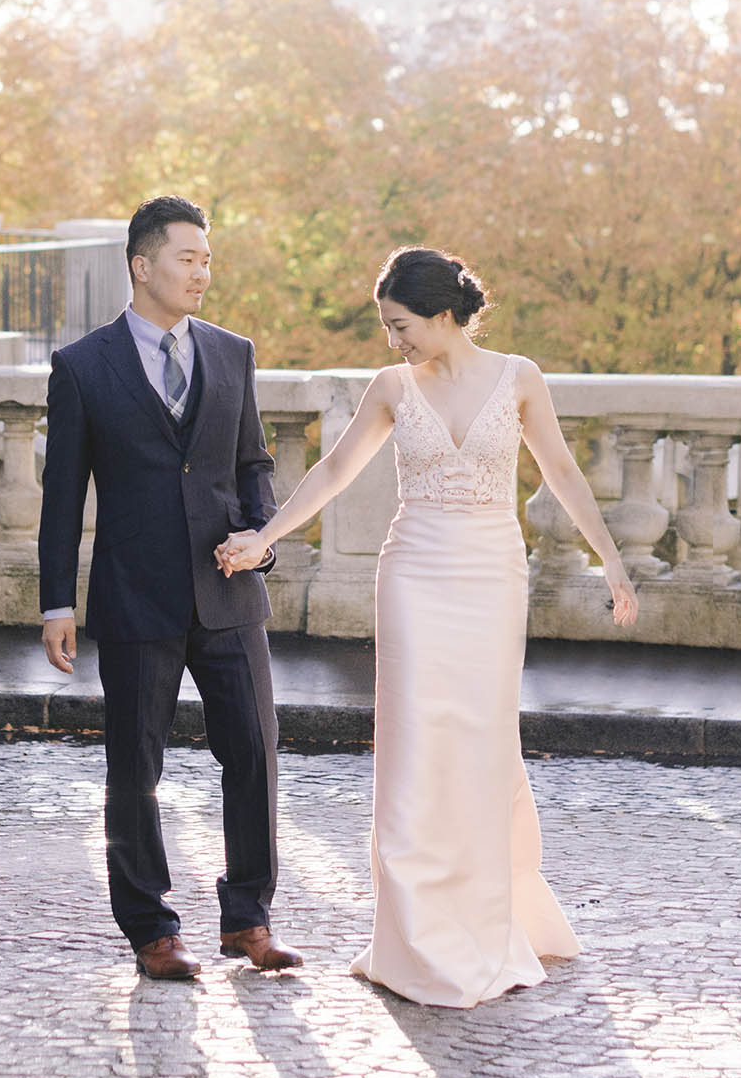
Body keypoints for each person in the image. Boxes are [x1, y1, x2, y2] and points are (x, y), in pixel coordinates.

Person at [218, 245, 638, 1008]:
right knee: (413, 741)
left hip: (490, 574)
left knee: (480, 739)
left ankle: (484, 918)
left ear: (444, 316)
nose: (393, 340)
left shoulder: (519, 377)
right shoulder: (390, 387)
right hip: (413, 572)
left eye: (401, 325)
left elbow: (562, 472)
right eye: (387, 327)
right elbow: (334, 471)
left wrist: (609, 559)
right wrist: (265, 536)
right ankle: (412, 935)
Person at [39, 194, 302, 981]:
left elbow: (253, 464)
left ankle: (248, 919)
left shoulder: (233, 353)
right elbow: (63, 494)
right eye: (188, 258)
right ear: (142, 265)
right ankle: (152, 928)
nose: (202, 272)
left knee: (255, 752)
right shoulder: (82, 367)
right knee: (135, 767)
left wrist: (261, 540)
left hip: (228, 595)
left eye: (208, 259)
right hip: (135, 593)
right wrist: (59, 602)